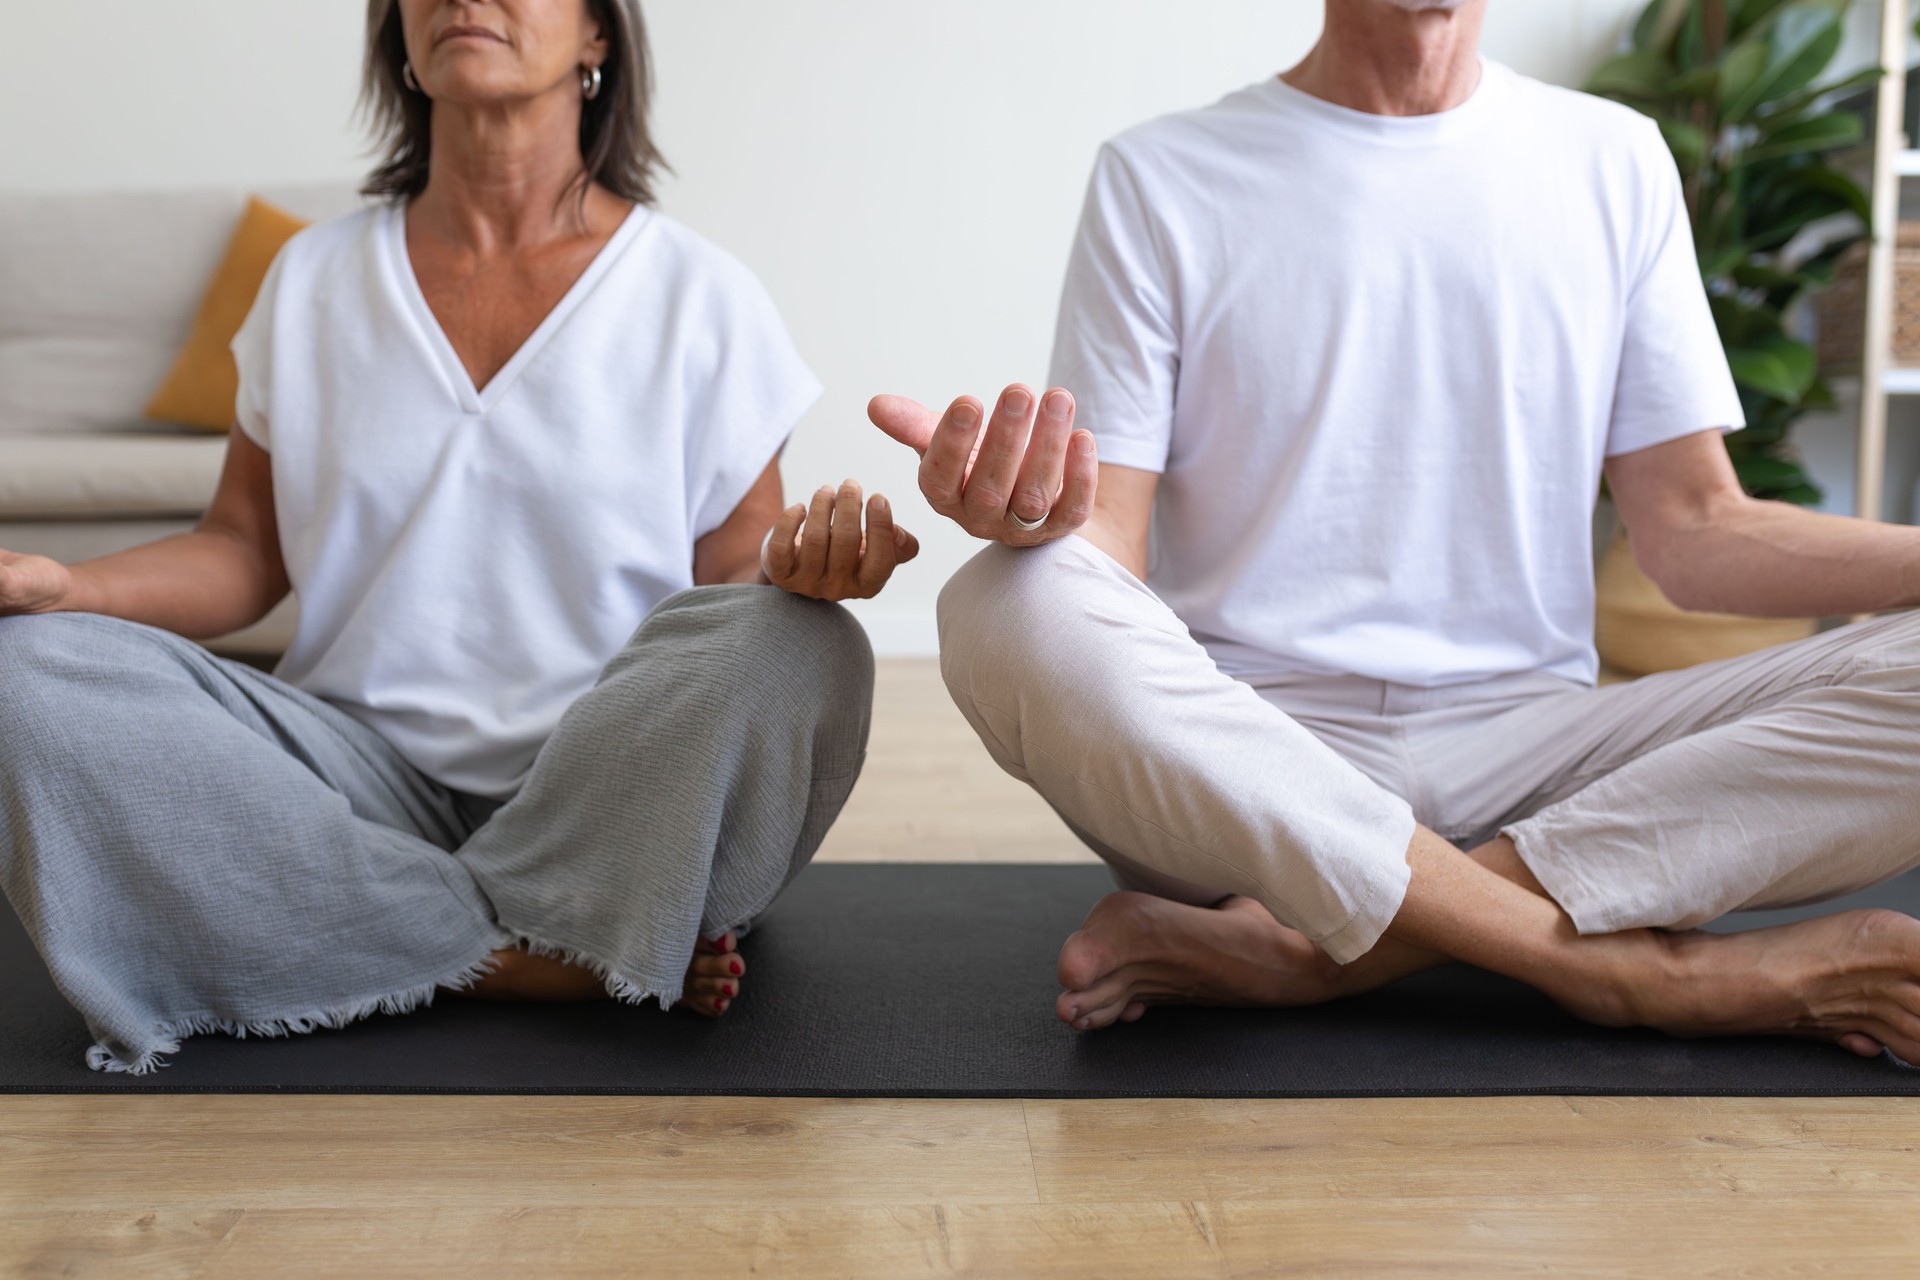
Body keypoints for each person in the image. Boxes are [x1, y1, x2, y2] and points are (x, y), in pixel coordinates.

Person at [872, 0, 1920, 1062]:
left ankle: (1316, 950)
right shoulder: (1162, 174)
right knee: (1003, 598)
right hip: (1254, 761)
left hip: (1540, 754)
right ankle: (1625, 968)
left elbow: (1697, 528)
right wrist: (1028, 518)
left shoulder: (1614, 158)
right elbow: (1108, 542)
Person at [0, 0, 916, 1074]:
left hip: (605, 776)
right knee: (22, 668)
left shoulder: (697, 294)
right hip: (349, 780)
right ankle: (522, 944)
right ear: (399, 35)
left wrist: (801, 573)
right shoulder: (313, 278)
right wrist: (63, 588)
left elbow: (732, 573)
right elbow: (246, 549)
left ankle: (370, 926)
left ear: (597, 39)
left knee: (806, 646)